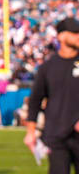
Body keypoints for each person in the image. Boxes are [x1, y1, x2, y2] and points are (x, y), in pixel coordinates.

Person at [24, 17, 79, 173]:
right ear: (61, 36)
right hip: (56, 134)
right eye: (74, 33)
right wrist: (30, 133)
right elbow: (35, 100)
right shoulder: (48, 67)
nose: (78, 36)